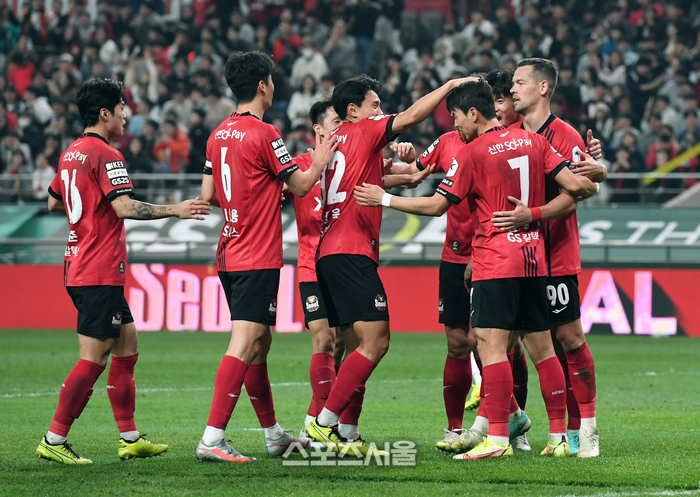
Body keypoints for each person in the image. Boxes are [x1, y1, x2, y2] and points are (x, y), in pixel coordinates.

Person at [353, 79, 598, 460]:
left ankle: (496, 439)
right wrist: (540, 210)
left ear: (473, 113)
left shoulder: (472, 152)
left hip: (495, 260)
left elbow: (437, 205)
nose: (455, 125)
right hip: (535, 258)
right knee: (542, 347)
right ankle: (559, 438)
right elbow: (578, 187)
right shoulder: (533, 141)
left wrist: (384, 198)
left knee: (488, 343)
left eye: (456, 117)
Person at [37, 78, 211, 464]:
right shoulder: (106, 154)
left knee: (127, 345)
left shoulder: (71, 153)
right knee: (94, 357)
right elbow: (125, 207)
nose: (125, 116)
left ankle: (130, 438)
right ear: (105, 113)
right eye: (120, 109)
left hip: (79, 262)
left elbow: (53, 203)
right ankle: (54, 438)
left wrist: (87, 212)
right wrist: (175, 210)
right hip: (97, 268)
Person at [304, 73, 476, 454]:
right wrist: (449, 87)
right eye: (375, 105)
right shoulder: (363, 131)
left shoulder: (337, 143)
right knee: (377, 341)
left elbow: (399, 177)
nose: (381, 112)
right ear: (353, 110)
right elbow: (411, 117)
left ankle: (347, 433)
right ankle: (323, 422)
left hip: (329, 253)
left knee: (355, 346)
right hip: (351, 251)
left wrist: (412, 169)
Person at [197, 52, 337, 463]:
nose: (274, 86)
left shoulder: (217, 134)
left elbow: (208, 195)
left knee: (260, 342)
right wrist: (321, 159)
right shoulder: (265, 133)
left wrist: (255, 194)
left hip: (229, 249)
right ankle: (212, 438)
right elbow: (302, 184)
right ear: (263, 85)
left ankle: (273, 435)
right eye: (272, 80)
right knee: (245, 342)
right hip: (255, 253)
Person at [508, 58, 606, 457]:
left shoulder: (565, 135)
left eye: (520, 82)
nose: (513, 89)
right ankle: (515, 427)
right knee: (506, 342)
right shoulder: (508, 134)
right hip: (513, 257)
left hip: (554, 255)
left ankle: (586, 431)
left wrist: (532, 215)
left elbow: (580, 191)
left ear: (543, 87)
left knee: (568, 339)